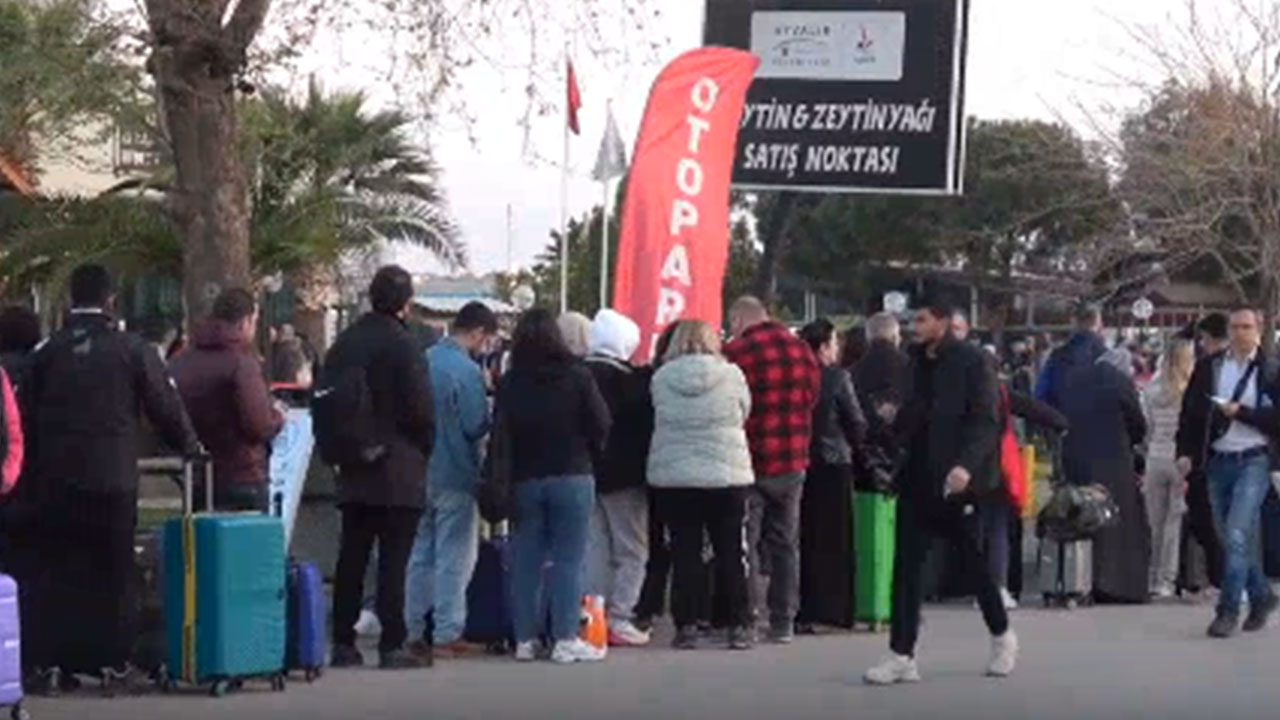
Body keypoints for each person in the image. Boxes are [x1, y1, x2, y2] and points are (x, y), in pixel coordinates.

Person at [25, 264, 197, 692]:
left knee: (59, 570)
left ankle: (54, 663)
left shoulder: (48, 352)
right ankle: (115, 662)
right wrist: (190, 447)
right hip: (112, 478)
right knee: (116, 571)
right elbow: (164, 406)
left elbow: (24, 412)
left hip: (56, 479)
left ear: (70, 300)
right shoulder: (132, 349)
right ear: (111, 300)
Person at [864, 302, 1015, 686]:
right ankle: (902, 654)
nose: (914, 326)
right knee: (907, 568)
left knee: (972, 563)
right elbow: (915, 415)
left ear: (944, 323)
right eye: (913, 320)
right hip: (917, 476)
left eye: (922, 320)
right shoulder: (913, 362)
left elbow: (985, 419)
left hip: (958, 480)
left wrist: (966, 465)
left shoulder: (972, 361)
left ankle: (1001, 634)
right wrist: (892, 421)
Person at [326, 266, 435, 670]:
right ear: (405, 304)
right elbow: (421, 409)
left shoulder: (346, 343)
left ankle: (342, 640)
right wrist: (422, 448)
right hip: (398, 466)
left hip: (354, 465)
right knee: (394, 559)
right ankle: (393, 643)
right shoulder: (404, 345)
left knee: (351, 556)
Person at [498, 308, 611, 664]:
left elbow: (501, 435)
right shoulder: (578, 376)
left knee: (526, 561)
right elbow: (601, 424)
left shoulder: (511, 382)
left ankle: (525, 640)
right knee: (569, 559)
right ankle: (564, 637)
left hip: (525, 479)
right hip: (573, 475)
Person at [648, 320, 754, 651]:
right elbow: (744, 411)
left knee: (685, 553)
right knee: (730, 551)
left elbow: (657, 413)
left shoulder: (662, 378)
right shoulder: (732, 375)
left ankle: (687, 626)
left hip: (676, 476)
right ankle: (738, 624)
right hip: (726, 473)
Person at [403, 301, 498, 662]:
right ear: (477, 333)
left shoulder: (422, 360)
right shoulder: (467, 371)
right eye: (486, 340)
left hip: (417, 471)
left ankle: (412, 629)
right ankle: (446, 631)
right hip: (456, 472)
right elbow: (475, 425)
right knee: (454, 557)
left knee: (419, 554)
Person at [1177, 307, 1279, 637]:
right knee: (1232, 539)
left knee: (1237, 533)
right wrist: (1186, 453)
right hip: (1218, 460)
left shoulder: (1271, 370)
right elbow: (1191, 412)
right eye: (1235, 327)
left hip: (1255, 459)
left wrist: (1242, 413)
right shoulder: (1209, 367)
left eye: (1247, 327)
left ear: (1259, 330)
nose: (1240, 333)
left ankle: (1228, 609)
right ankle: (1262, 595)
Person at [724, 297, 821, 644]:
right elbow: (812, 397)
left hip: (750, 459)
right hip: (792, 459)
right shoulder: (802, 350)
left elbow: (730, 403)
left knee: (745, 545)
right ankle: (783, 622)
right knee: (785, 544)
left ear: (739, 319)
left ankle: (747, 620)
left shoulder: (736, 352)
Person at [170, 289, 285, 512]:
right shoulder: (240, 364)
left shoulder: (180, 362)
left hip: (196, 474)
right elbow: (258, 426)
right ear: (245, 322)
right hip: (242, 474)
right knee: (247, 545)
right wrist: (278, 417)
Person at [583, 309, 654, 647]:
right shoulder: (632, 382)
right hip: (625, 477)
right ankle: (620, 616)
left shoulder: (578, 375)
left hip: (586, 473)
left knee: (596, 548)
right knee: (632, 550)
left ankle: (592, 615)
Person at [1060, 347, 1149, 604]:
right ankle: (1117, 585)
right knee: (1116, 522)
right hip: (1114, 460)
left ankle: (1080, 582)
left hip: (1078, 458)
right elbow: (1137, 424)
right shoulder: (1120, 382)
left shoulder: (1074, 379)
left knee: (1083, 518)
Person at [796, 319, 866, 632]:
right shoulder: (837, 378)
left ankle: (803, 607)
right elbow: (855, 422)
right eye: (834, 343)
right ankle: (834, 610)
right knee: (835, 539)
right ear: (823, 347)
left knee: (803, 537)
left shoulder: (794, 375)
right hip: (834, 461)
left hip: (799, 460)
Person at [1142, 339, 1195, 599]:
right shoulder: (1190, 390)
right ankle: (1167, 579)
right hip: (1179, 460)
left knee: (1154, 522)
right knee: (1174, 523)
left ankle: (1151, 577)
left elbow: (1146, 427)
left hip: (1155, 458)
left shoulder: (1151, 389)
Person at [1036, 304, 1106, 411]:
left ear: (1074, 324)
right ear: (1099, 324)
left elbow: (1041, 396)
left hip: (1062, 421)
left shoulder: (1057, 357)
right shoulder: (1108, 357)